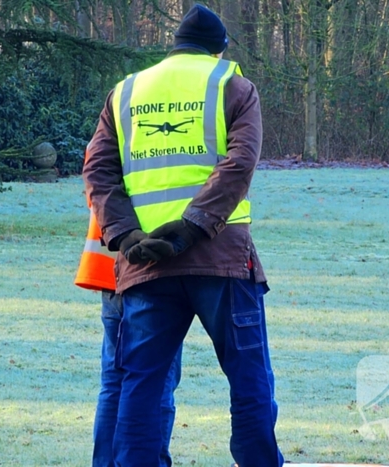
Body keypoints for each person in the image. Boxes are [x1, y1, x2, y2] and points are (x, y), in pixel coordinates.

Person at [82, 3, 284, 466]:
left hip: (145, 263)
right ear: (220, 50)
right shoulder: (233, 86)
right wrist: (193, 227)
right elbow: (239, 163)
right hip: (221, 259)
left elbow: (97, 169)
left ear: (174, 46)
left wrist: (126, 235)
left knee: (141, 384)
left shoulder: (126, 92)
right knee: (249, 379)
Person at [74, 145, 183, 467]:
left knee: (114, 381)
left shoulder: (110, 138)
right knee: (156, 379)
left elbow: (97, 195)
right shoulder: (162, 149)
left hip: (111, 274)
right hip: (151, 274)